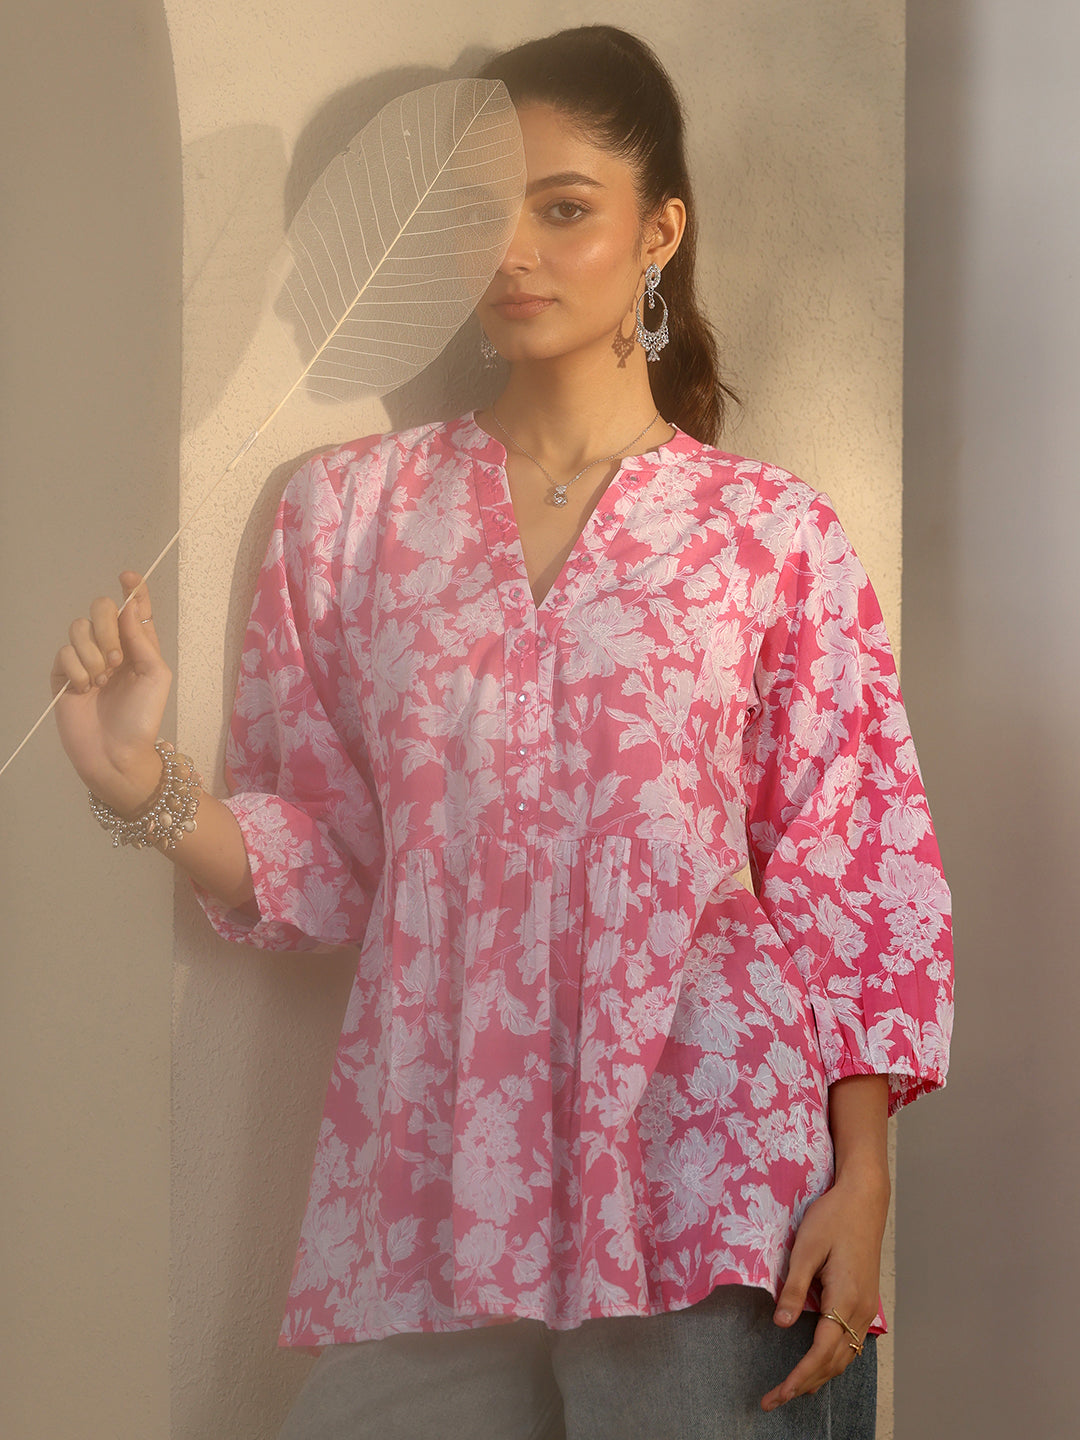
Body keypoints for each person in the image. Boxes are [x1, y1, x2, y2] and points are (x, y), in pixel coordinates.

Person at [50, 25, 952, 1440]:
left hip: (708, 1188)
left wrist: (865, 1180)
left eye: (564, 207)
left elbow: (855, 875)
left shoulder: (771, 536)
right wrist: (143, 785)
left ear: (660, 231)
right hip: (430, 1197)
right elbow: (337, 864)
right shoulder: (346, 517)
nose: (515, 251)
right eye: (482, 212)